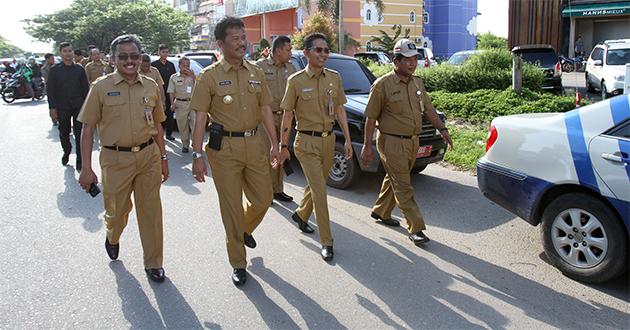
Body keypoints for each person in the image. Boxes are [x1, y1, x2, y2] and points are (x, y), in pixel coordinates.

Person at [190, 16, 279, 286]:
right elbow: (199, 116)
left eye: (244, 37)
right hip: (224, 149)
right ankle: (238, 262)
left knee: (264, 199)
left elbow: (265, 108)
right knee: (231, 208)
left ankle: (244, 229)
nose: (243, 43)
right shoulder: (209, 76)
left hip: (254, 143)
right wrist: (197, 155)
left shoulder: (256, 72)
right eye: (236, 39)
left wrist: (276, 143)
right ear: (220, 43)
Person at [78, 34, 169, 283]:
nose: (129, 61)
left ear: (140, 58)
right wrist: (86, 168)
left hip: (148, 156)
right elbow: (87, 129)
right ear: (113, 59)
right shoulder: (101, 87)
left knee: (150, 211)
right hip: (115, 160)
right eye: (123, 56)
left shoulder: (150, 86)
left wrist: (163, 158)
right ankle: (112, 235)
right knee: (118, 212)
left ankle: (153, 263)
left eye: (134, 56)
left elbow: (158, 125)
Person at [360, 39, 453, 246]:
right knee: (403, 185)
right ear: (396, 60)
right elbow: (371, 117)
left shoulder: (417, 83)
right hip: (391, 142)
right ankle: (416, 228)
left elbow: (428, 109)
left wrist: (443, 129)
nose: (413, 64)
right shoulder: (382, 85)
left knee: (395, 177)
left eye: (415, 60)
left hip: (413, 141)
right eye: (408, 60)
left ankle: (381, 211)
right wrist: (367, 145)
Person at [278, 33, 353, 261]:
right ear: (308, 53)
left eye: (326, 50)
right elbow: (288, 115)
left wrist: (348, 139)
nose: (323, 54)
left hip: (329, 140)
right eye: (318, 50)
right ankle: (326, 241)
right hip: (306, 142)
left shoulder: (334, 77)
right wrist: (283, 145)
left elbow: (339, 110)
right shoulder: (297, 81)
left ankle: (301, 215)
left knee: (315, 185)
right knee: (320, 191)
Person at [255, 35, 296, 202]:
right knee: (267, 155)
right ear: (278, 50)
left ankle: (278, 189)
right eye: (288, 49)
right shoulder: (260, 67)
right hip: (267, 119)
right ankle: (266, 192)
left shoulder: (291, 68)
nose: (290, 52)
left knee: (281, 153)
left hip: (285, 118)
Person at [47, 42, 89, 171]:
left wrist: (88, 107)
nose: (68, 53)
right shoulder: (54, 70)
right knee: (64, 132)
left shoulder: (80, 69)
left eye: (70, 51)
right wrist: (52, 108)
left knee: (79, 133)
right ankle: (66, 151)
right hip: (62, 107)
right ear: (60, 53)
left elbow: (85, 90)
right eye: (65, 51)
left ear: (73, 53)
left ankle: (79, 160)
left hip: (78, 106)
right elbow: (50, 91)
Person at [167, 56, 196, 153]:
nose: (186, 67)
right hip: (180, 103)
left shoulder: (193, 76)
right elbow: (171, 91)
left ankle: (195, 143)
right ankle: (185, 144)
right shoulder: (174, 77)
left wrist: (193, 77)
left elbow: (200, 88)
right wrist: (172, 104)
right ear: (179, 66)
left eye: (187, 65)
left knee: (195, 124)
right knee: (182, 125)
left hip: (192, 103)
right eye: (183, 65)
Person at [151, 44, 176, 141]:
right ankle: (158, 133)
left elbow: (174, 79)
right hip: (157, 92)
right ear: (159, 52)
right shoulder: (154, 65)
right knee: (158, 113)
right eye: (163, 52)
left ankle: (169, 134)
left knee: (170, 113)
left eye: (167, 52)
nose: (165, 54)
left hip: (169, 92)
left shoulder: (171, 65)